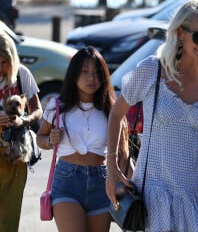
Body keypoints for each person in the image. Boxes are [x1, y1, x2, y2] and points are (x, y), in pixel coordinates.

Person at [106, 0, 198, 231]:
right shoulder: (152, 69)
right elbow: (116, 114)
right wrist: (113, 169)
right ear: (180, 33)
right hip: (153, 193)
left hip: (193, 194)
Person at [36, 46, 129, 232]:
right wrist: (49, 141)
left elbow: (122, 150)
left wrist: (119, 180)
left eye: (96, 72)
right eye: (85, 72)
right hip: (67, 181)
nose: (91, 78)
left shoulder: (112, 108)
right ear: (74, 75)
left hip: (102, 183)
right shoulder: (57, 107)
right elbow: (40, 138)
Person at [0, 30, 42, 232]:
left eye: (3, 62)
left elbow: (38, 110)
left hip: (15, 156)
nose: (0, 67)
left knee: (9, 218)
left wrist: (23, 120)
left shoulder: (22, 74)